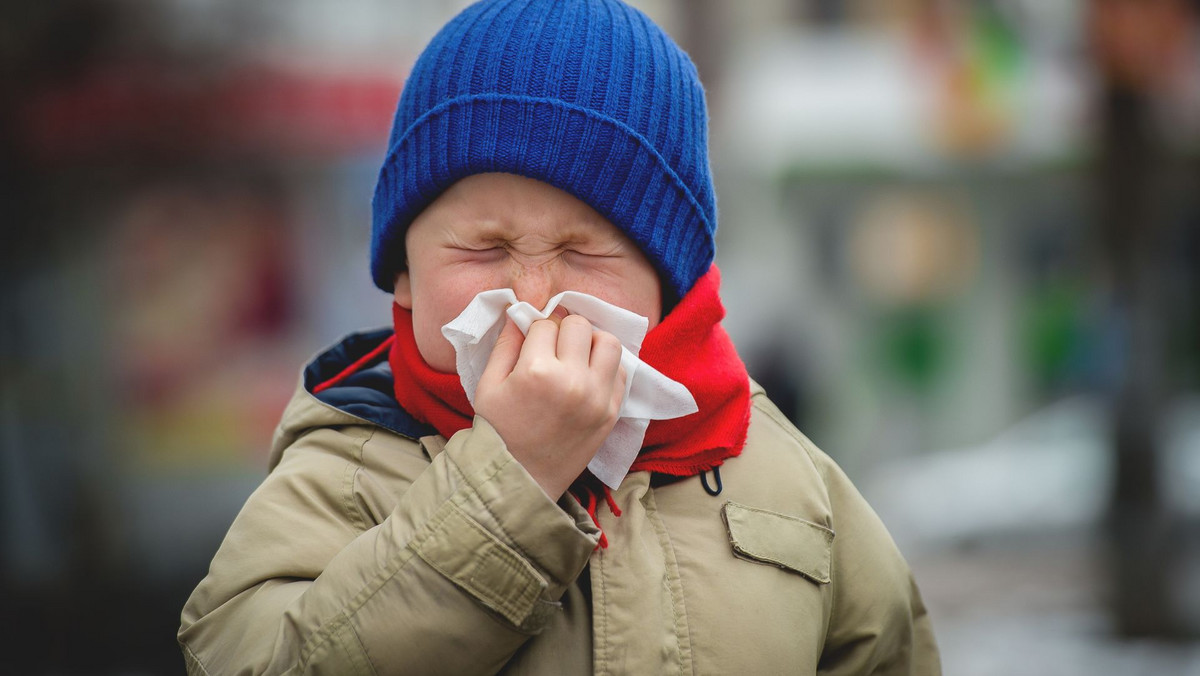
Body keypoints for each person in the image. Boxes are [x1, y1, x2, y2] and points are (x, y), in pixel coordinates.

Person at [178, 0, 941, 673]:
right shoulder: (341, 470)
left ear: (669, 287)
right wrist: (510, 479)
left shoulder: (787, 483)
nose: (534, 299)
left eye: (583, 252)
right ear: (404, 276)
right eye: (484, 249)